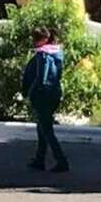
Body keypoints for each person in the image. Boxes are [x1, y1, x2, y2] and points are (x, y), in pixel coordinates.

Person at [22, 27, 69, 172]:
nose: (33, 42)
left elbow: (41, 78)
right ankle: (39, 159)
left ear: (41, 39)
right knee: (42, 125)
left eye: (35, 38)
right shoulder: (57, 52)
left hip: (43, 95)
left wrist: (31, 93)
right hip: (55, 92)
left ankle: (61, 160)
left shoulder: (43, 55)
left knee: (46, 129)